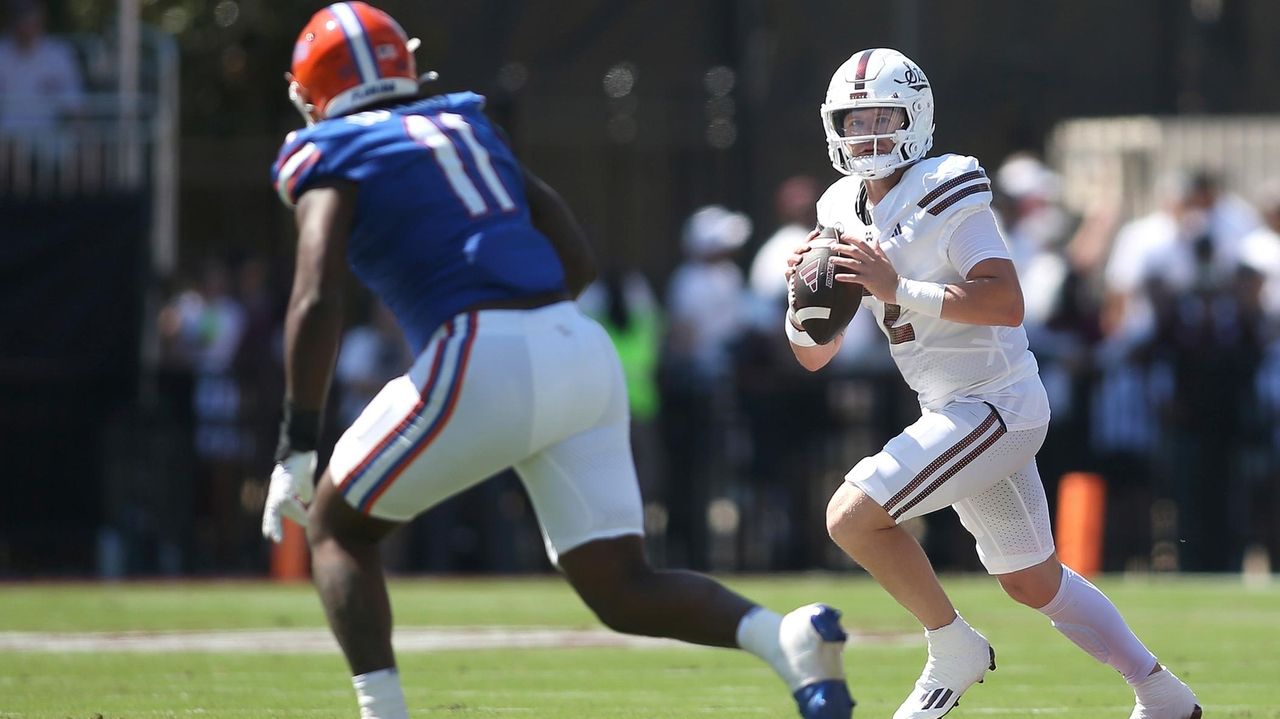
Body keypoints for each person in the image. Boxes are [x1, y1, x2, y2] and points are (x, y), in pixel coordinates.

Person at [260, 5, 853, 719]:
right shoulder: (469, 127)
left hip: (479, 349)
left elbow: (316, 296)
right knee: (621, 585)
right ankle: (784, 639)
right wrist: (528, 334)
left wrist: (296, 441)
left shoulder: (336, 149)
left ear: (315, 91)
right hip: (576, 347)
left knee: (337, 528)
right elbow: (575, 255)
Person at [782, 48, 1201, 719]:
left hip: (993, 402)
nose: (866, 134)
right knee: (1034, 581)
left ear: (915, 116)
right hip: (952, 405)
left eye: (881, 116)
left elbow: (1006, 301)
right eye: (853, 120)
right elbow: (813, 357)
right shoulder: (839, 205)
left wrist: (899, 287)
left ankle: (952, 646)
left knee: (851, 516)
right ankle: (1163, 693)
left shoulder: (945, 183)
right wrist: (803, 308)